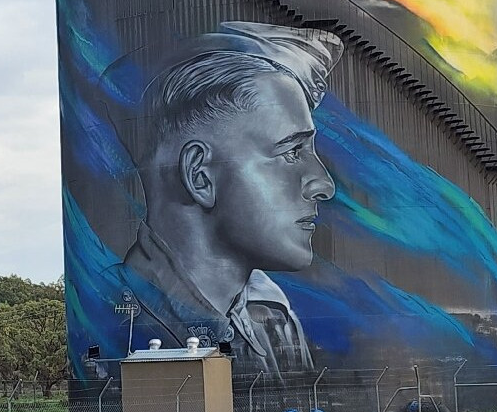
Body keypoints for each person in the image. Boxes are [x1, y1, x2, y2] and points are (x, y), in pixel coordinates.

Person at [110, 22, 343, 379]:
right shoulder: (112, 314)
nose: (323, 185)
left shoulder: (272, 314)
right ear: (200, 175)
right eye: (292, 151)